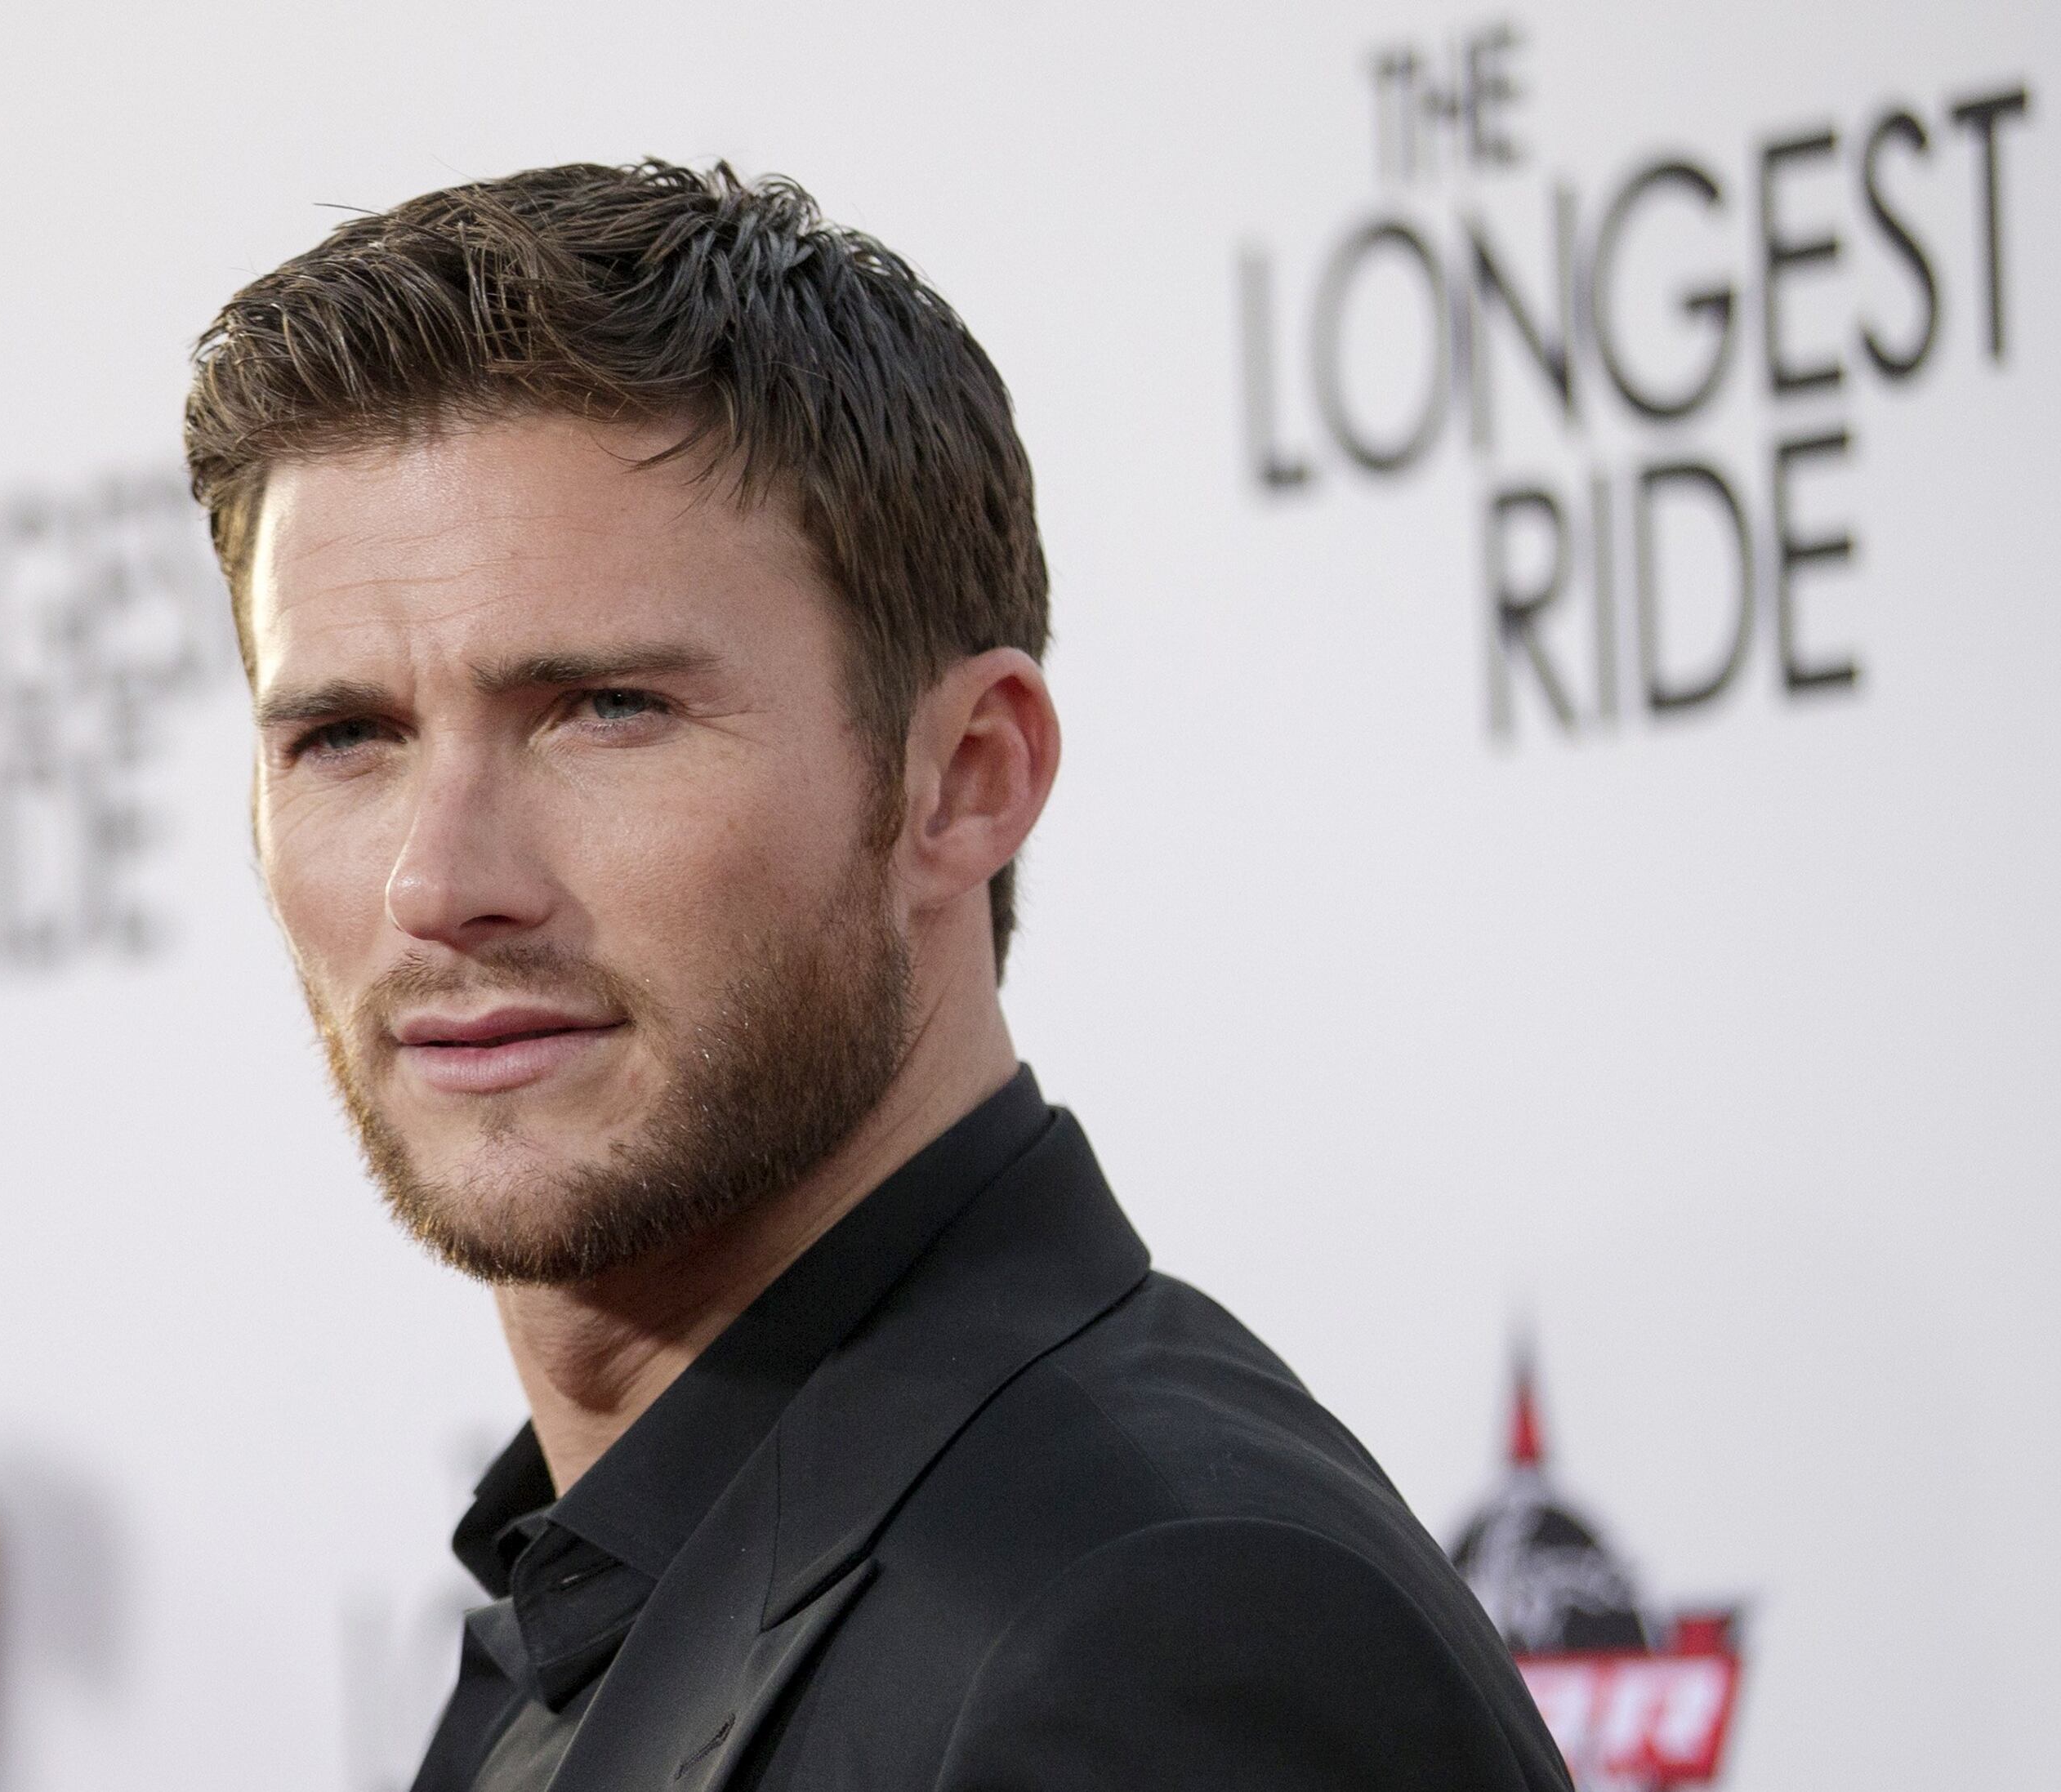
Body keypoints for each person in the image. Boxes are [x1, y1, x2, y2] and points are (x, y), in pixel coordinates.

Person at [183, 162, 1568, 1792]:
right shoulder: (583, 1609)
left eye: (605, 709)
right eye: (344, 736)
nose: (440, 882)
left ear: (965, 776)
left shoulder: (1150, 1630)